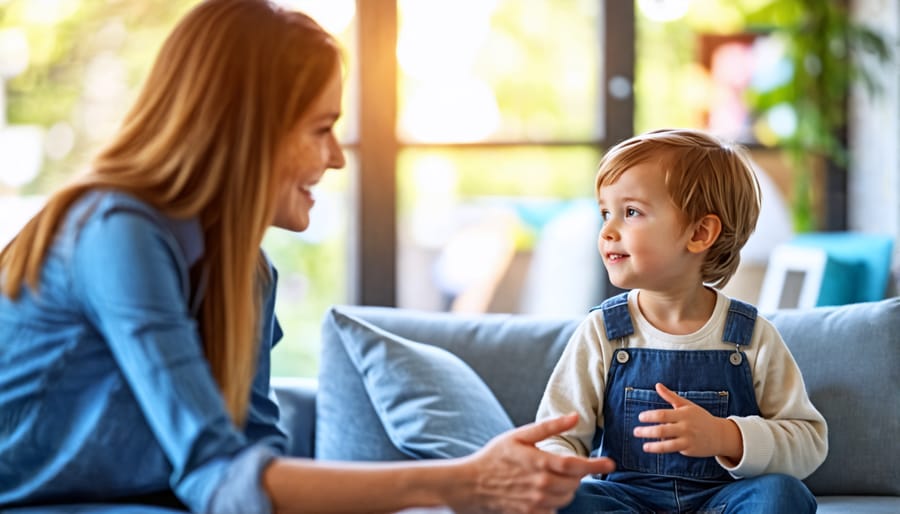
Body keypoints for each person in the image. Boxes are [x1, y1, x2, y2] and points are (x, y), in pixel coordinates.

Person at [0, 1, 615, 513]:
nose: (338, 157)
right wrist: (460, 480)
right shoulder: (118, 234)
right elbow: (221, 478)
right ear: (248, 130)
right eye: (321, 128)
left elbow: (258, 467)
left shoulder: (247, 270)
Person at [535, 128, 828, 513]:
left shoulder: (750, 335)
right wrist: (558, 468)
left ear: (699, 232)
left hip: (722, 502)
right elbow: (557, 433)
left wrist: (727, 436)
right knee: (561, 500)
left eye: (631, 212)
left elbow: (808, 442)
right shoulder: (603, 332)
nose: (607, 230)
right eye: (606, 212)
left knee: (781, 494)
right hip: (627, 501)